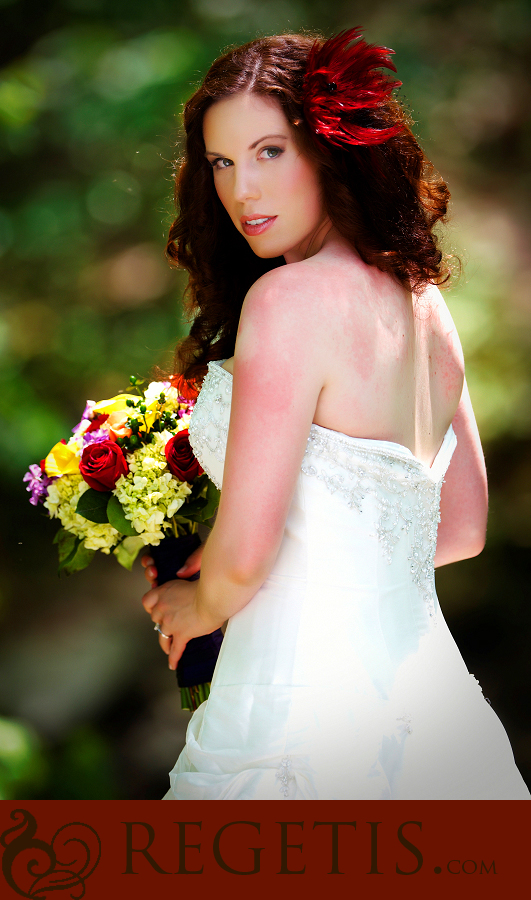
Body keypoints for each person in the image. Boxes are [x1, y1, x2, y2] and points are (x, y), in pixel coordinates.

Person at [140, 29, 530, 800]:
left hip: (295, 723)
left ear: (330, 149)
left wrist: (198, 598)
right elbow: (459, 530)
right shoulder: (425, 302)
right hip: (430, 713)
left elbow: (245, 560)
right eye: (221, 163)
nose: (241, 189)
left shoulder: (287, 302)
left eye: (268, 152)